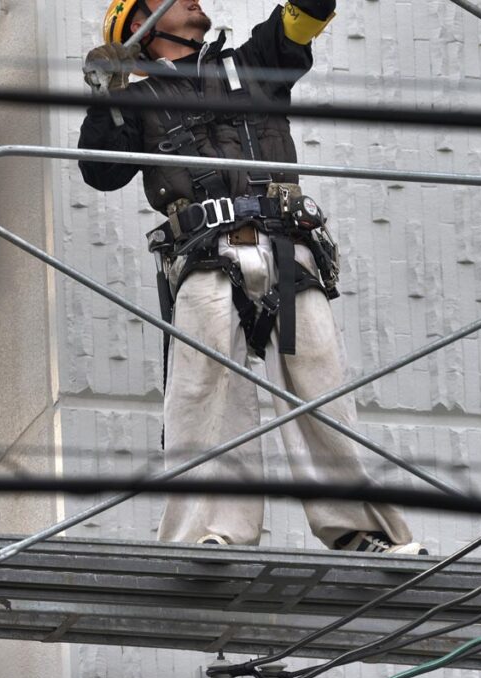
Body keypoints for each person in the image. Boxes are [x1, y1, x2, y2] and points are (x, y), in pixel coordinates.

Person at [78, 0, 425, 555]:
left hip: (288, 251)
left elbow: (307, 14)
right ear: (139, 24)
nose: (190, 0)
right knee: (204, 396)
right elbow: (101, 170)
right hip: (205, 257)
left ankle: (361, 532)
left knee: (322, 389)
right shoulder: (136, 100)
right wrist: (106, 96)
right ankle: (209, 535)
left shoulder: (251, 64)